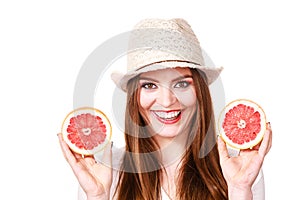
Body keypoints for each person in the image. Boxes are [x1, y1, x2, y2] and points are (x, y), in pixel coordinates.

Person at [58, 18, 272, 200]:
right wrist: (98, 197)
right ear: (135, 96)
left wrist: (239, 190)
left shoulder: (238, 166)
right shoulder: (108, 170)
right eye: (150, 85)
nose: (167, 101)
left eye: (181, 84)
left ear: (199, 92)